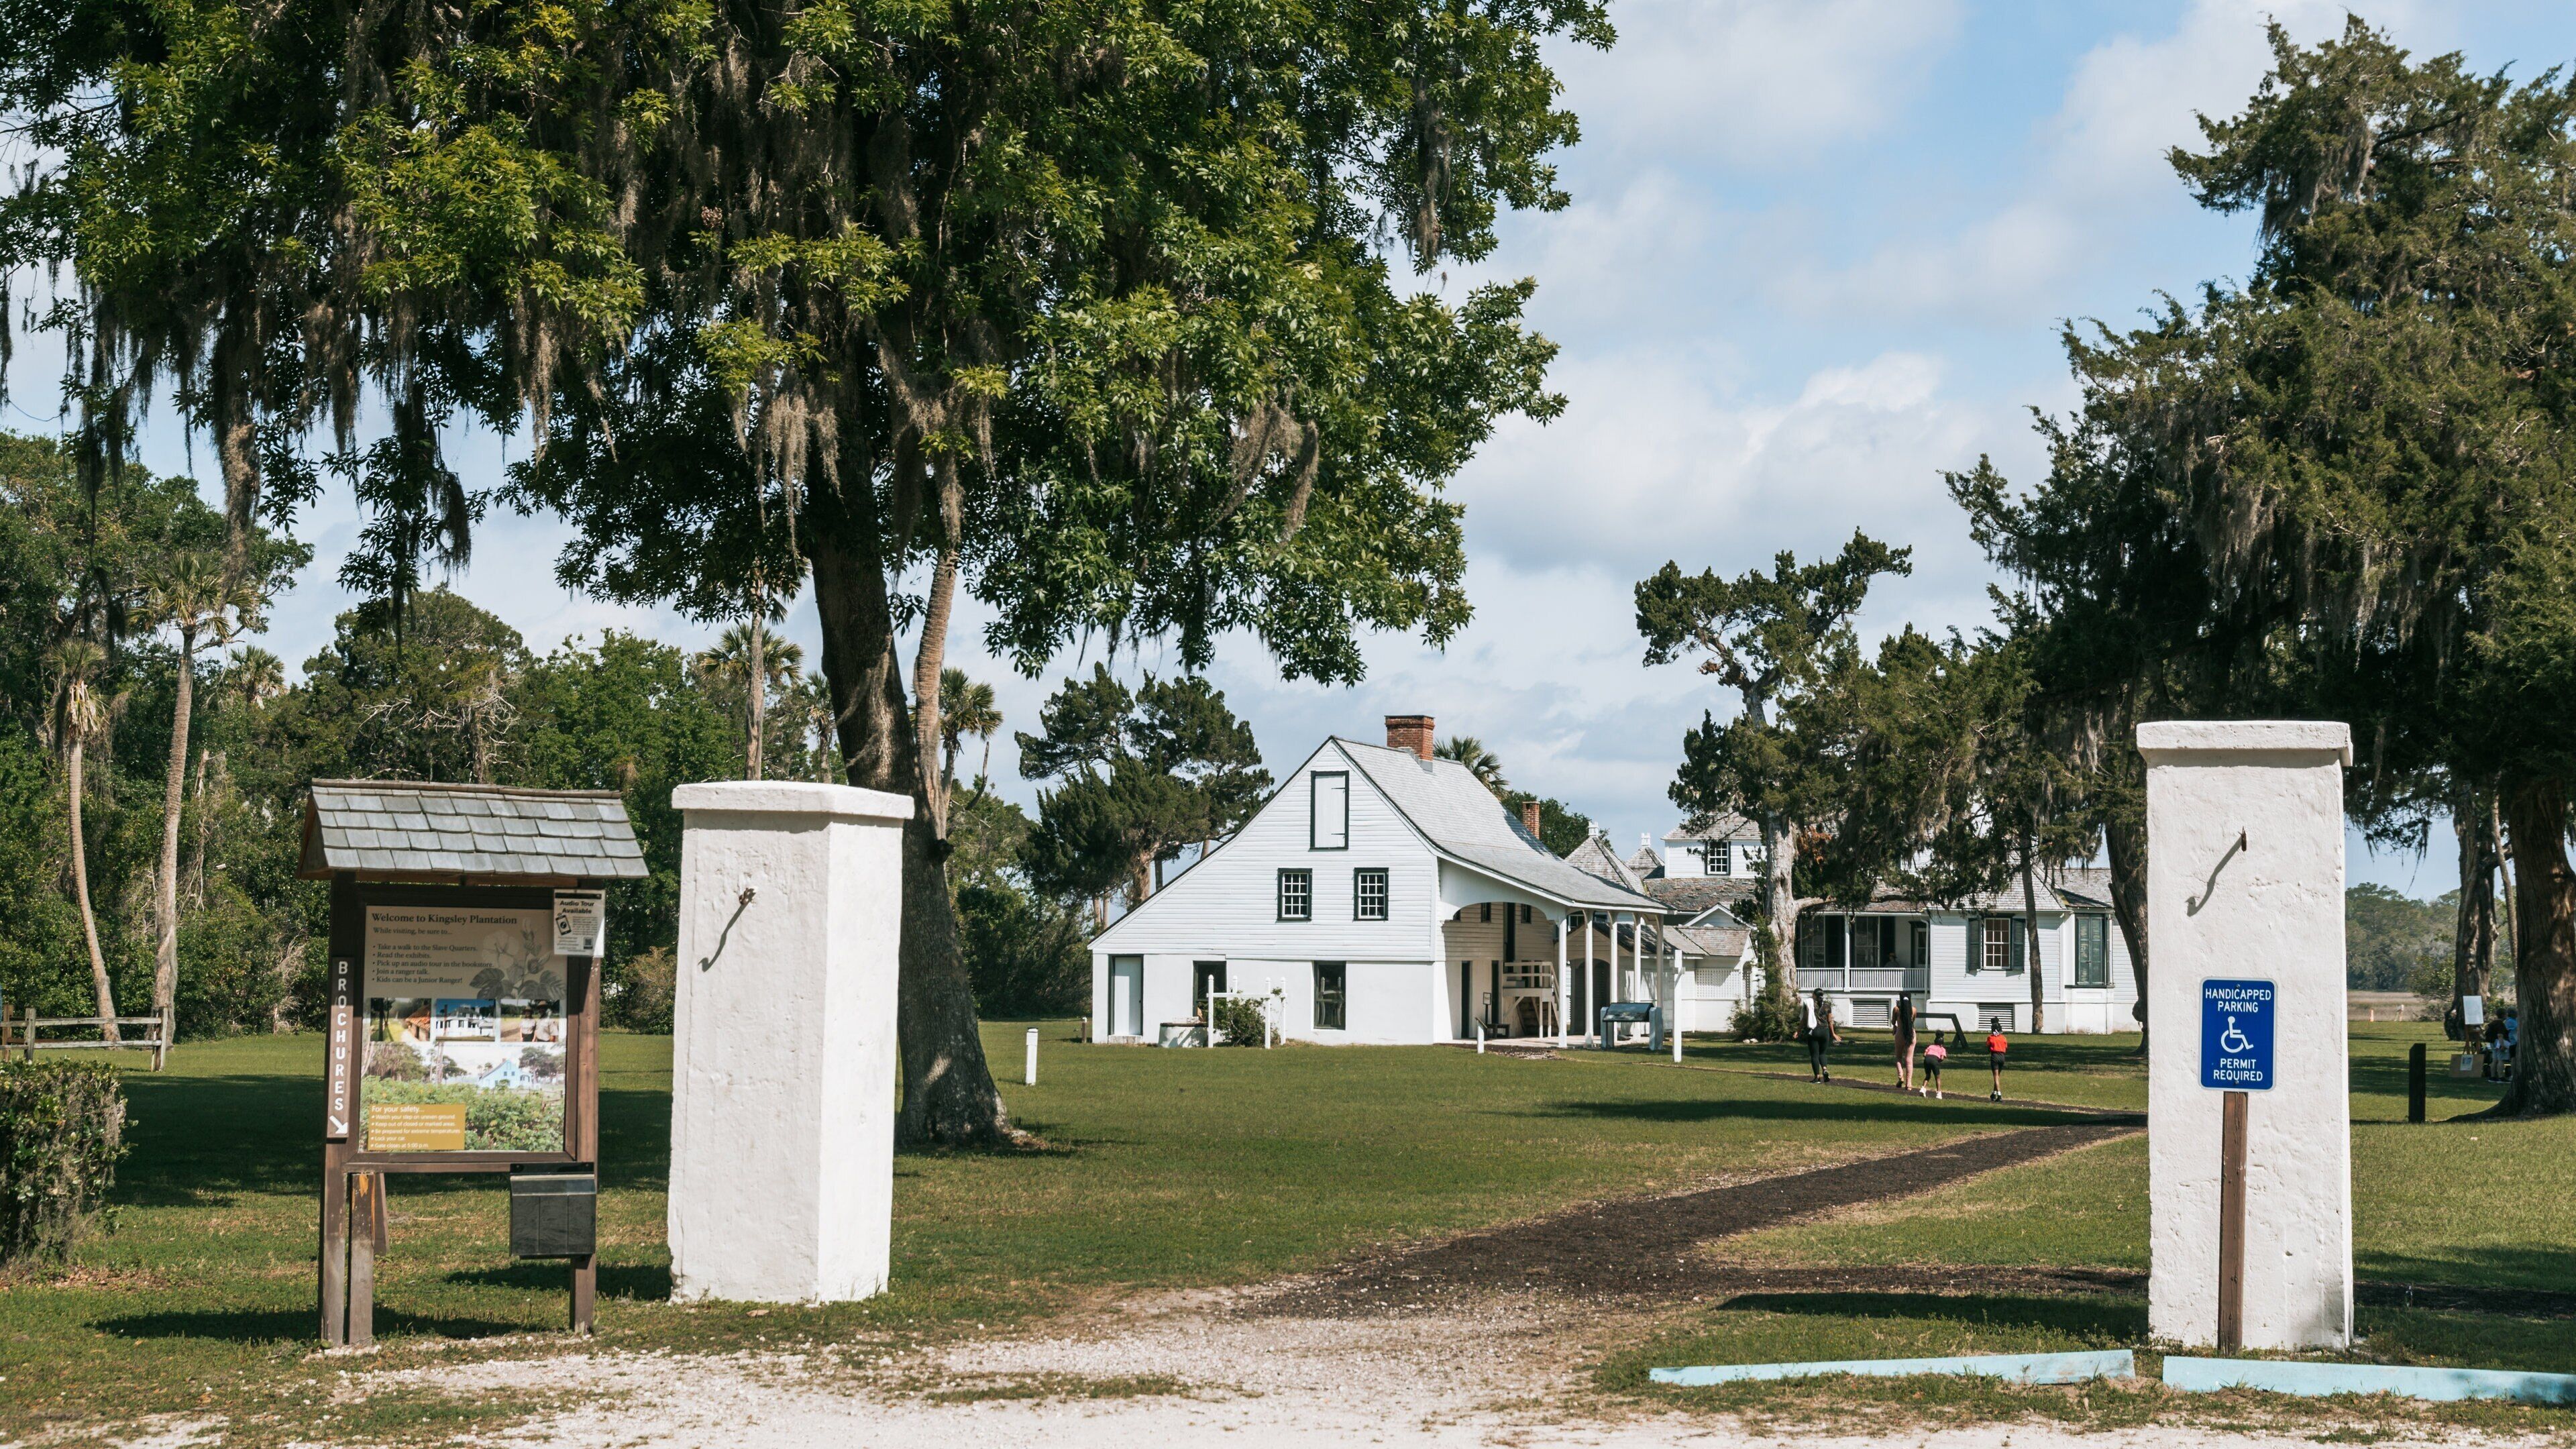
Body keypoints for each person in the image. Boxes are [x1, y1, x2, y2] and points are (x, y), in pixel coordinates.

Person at [1804, 987, 1838, 1083]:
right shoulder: (1827, 1005)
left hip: (1814, 1031)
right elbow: (1830, 1020)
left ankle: (1817, 1078)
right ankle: (1825, 1069)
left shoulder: (1809, 1005)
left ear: (1814, 995)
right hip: (1825, 1032)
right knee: (1823, 1053)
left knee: (1815, 1055)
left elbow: (1804, 1019)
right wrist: (1833, 1033)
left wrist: (1798, 1031)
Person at [1892, 994, 1918, 1091]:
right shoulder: (1914, 1009)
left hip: (1900, 1035)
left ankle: (1901, 1076)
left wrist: (1895, 1026)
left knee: (1899, 1057)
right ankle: (1909, 1084)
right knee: (1909, 1060)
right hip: (1911, 1035)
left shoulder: (1896, 1009)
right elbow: (1913, 1021)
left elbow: (1893, 1021)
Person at [1986, 1016, 2010, 1102]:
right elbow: (2006, 1047)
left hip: (1995, 1056)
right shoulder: (2004, 1038)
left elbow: (1988, 1048)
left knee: (1995, 1076)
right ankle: (1994, 1093)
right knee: (1997, 1076)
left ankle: (1999, 1095)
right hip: (2002, 1057)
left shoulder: (1990, 1038)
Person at [1922, 1029, 1948, 1098]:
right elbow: (1942, 1058)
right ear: (1942, 1043)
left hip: (1926, 1060)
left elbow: (1924, 1055)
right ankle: (1938, 1094)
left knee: (1928, 1075)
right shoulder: (1942, 1049)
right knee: (1937, 1078)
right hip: (1934, 1061)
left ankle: (1923, 1089)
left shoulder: (1930, 1046)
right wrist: (1937, 1061)